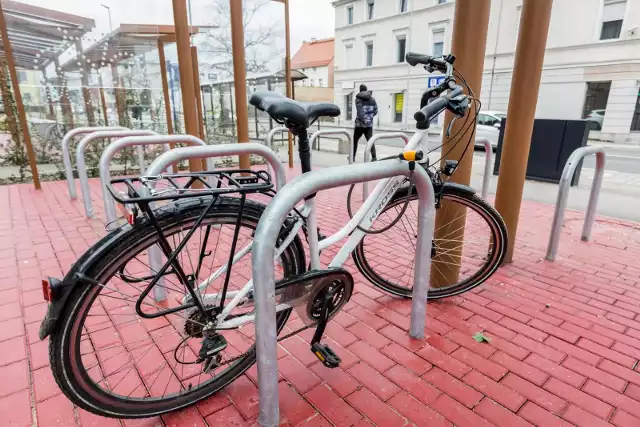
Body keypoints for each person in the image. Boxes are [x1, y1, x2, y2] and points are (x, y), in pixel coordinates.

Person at [353, 84, 378, 161]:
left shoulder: (358, 99)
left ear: (360, 90)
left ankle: (352, 156)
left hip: (360, 125)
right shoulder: (372, 99)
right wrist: (369, 118)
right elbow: (375, 111)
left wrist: (363, 120)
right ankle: (374, 157)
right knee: (370, 141)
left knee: (355, 140)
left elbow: (360, 112)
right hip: (369, 124)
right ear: (366, 90)